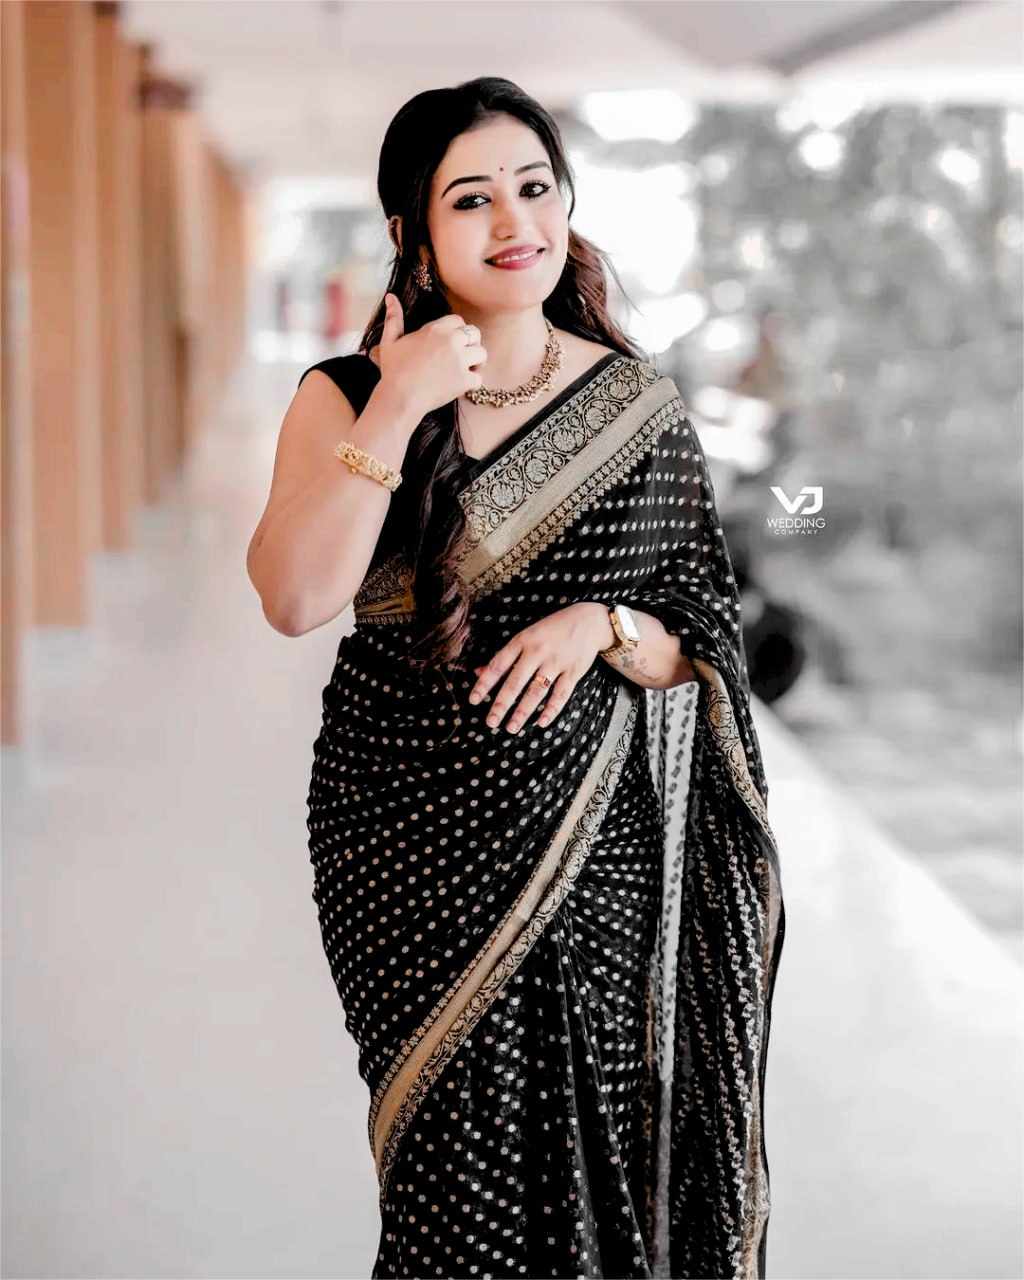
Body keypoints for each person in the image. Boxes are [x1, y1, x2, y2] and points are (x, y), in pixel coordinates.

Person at [246, 77, 786, 1280]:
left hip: (600, 855)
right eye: (471, 198)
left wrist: (601, 623)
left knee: (603, 1147)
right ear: (412, 232)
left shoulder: (637, 406)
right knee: (450, 1182)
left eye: (534, 188)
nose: (513, 221)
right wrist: (398, 400)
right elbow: (292, 596)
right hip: (405, 840)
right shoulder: (344, 394)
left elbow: (703, 636)